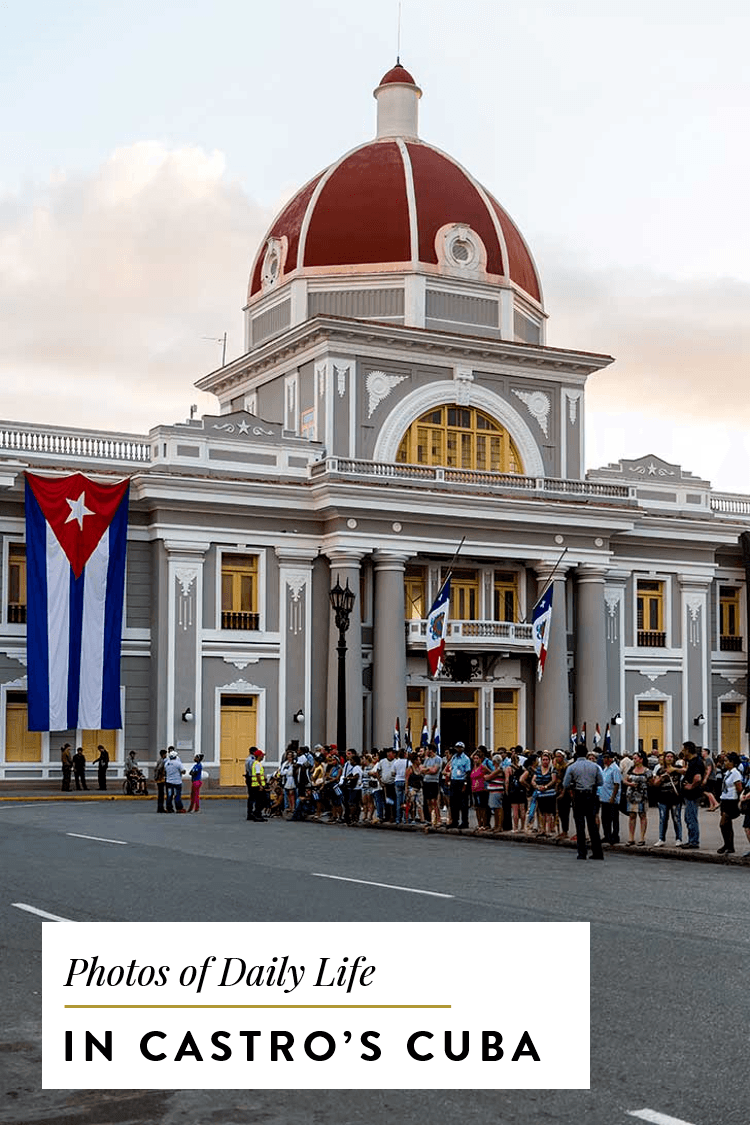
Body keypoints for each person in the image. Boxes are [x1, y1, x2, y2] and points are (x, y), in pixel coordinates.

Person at [563, 745, 604, 860]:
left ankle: (582, 852)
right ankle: (597, 852)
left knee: (580, 825)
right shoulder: (594, 766)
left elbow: (565, 784)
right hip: (591, 795)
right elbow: (600, 782)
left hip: (579, 796)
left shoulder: (572, 767)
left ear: (576, 752)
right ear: (586, 753)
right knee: (592, 825)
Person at [653, 751, 683, 846]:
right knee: (663, 819)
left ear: (674, 759)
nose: (669, 758)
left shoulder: (677, 768)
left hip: (675, 798)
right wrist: (662, 778)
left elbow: (685, 771)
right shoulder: (660, 770)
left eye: (671, 757)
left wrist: (674, 770)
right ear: (664, 759)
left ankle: (679, 839)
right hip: (663, 798)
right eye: (667, 756)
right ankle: (661, 839)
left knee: (676, 818)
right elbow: (655, 783)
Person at [678, 741, 705, 849]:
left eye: (684, 749)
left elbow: (697, 778)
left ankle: (694, 841)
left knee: (691, 818)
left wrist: (691, 786)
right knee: (688, 817)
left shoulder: (696, 762)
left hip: (692, 795)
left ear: (688, 750)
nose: (682, 752)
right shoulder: (692, 761)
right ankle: (691, 839)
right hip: (689, 795)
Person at [623, 749, 652, 845]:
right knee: (632, 816)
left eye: (635, 758)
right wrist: (630, 784)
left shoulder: (647, 770)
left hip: (642, 796)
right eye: (633, 758)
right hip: (631, 796)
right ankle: (631, 837)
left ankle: (642, 838)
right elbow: (624, 780)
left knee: (642, 815)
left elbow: (651, 782)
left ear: (641, 759)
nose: (634, 760)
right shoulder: (631, 769)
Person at [717, 751, 743, 855]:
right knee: (727, 825)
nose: (725, 762)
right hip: (725, 799)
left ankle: (728, 845)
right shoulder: (728, 773)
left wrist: (739, 801)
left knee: (723, 824)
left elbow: (739, 788)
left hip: (732, 801)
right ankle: (728, 845)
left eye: (726, 761)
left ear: (732, 762)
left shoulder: (735, 773)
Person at [598, 748, 622, 845]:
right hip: (604, 797)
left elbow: (616, 784)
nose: (605, 760)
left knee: (614, 818)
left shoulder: (615, 769)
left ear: (611, 759)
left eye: (607, 758)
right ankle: (607, 835)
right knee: (605, 818)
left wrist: (613, 797)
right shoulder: (606, 768)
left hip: (611, 798)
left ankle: (615, 836)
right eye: (604, 758)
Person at [532, 751, 557, 837]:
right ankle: (542, 829)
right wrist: (536, 786)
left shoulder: (552, 769)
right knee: (541, 812)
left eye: (546, 759)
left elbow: (553, 780)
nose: (545, 761)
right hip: (540, 793)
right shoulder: (538, 769)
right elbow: (533, 779)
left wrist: (546, 787)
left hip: (549, 793)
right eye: (543, 759)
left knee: (549, 813)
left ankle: (548, 830)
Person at [449, 741, 472, 829]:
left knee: (463, 803)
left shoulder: (466, 759)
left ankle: (464, 822)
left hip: (461, 781)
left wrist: (465, 784)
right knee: (453, 803)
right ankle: (455, 821)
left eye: (460, 747)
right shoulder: (454, 757)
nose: (458, 749)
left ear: (463, 748)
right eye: (457, 747)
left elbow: (467, 772)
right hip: (454, 780)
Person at [421, 742, 443, 828]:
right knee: (428, 802)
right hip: (426, 781)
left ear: (431, 750)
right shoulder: (427, 759)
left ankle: (438, 819)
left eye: (427, 749)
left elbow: (434, 771)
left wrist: (426, 770)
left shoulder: (438, 759)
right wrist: (428, 769)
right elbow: (421, 769)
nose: (426, 751)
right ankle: (431, 819)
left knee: (434, 802)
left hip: (433, 782)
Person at [244, 747, 266, 822]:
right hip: (254, 780)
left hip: (250, 779)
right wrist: (260, 784)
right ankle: (255, 813)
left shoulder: (248, 759)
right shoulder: (253, 761)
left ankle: (251, 813)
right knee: (258, 798)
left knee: (252, 797)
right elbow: (257, 773)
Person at [470, 750, 490, 831]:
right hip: (474, 789)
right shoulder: (474, 767)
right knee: (477, 807)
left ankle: (484, 824)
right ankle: (479, 823)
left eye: (477, 758)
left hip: (482, 789)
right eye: (474, 758)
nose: (475, 760)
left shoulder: (483, 767)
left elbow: (490, 773)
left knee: (483, 807)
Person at [279, 748, 297, 815]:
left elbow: (292, 772)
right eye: (288, 756)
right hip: (286, 779)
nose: (289, 758)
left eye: (291, 757)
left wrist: (287, 772)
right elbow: (282, 772)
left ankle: (293, 807)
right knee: (287, 794)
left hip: (291, 779)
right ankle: (289, 806)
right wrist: (285, 772)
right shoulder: (285, 763)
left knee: (291, 793)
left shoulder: (294, 763)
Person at [154, 748, 167, 812]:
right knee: (161, 794)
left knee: (160, 794)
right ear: (163, 754)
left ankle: (160, 807)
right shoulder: (162, 761)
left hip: (159, 779)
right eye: (165, 754)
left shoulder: (159, 760)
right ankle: (160, 808)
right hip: (160, 779)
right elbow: (159, 769)